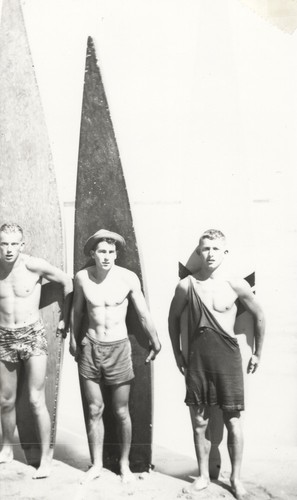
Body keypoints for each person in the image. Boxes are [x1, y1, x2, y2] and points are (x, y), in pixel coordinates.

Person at [168, 229, 265, 500]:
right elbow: (173, 319)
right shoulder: (187, 285)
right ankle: (202, 476)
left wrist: (258, 352)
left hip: (228, 357)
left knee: (233, 420)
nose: (210, 254)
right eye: (205, 248)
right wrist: (177, 352)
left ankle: (235, 479)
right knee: (199, 421)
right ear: (199, 251)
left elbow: (259, 316)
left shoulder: (236, 284)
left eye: (215, 248)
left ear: (225, 252)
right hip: (197, 358)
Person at [70, 229, 161, 484]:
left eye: (111, 252)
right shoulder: (82, 278)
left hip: (119, 348)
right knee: (94, 409)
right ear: (93, 253)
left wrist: (155, 340)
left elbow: (143, 313)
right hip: (91, 347)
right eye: (102, 252)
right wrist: (74, 340)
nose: (107, 257)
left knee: (121, 411)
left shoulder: (128, 278)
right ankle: (97, 464)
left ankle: (124, 466)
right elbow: (77, 311)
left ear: (116, 254)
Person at [0, 223, 73, 479]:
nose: (8, 249)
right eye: (3, 243)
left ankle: (46, 459)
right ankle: (7, 449)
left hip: (32, 335)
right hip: (3, 337)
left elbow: (67, 281)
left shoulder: (33, 266)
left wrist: (66, 317)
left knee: (35, 399)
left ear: (22, 244)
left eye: (13, 244)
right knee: (5, 400)